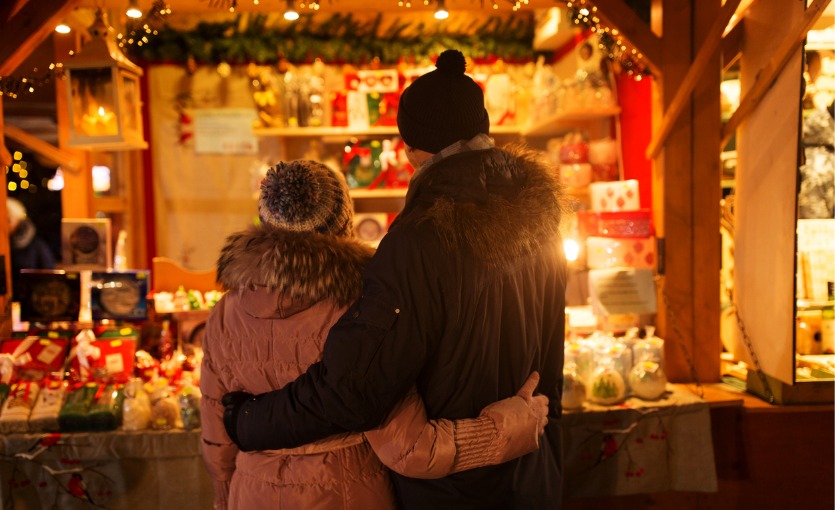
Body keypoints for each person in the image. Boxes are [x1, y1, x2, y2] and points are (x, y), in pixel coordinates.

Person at [222, 49, 568, 509]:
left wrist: (250, 420)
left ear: (411, 149)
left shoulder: (421, 237)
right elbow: (552, 369)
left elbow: (357, 389)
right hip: (531, 479)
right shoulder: (541, 218)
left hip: (450, 493)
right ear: (482, 130)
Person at [200, 160, 550, 510]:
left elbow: (216, 436)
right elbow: (410, 449)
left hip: (250, 494)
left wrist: (224, 494)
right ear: (345, 225)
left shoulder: (224, 313)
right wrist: (506, 430)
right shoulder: (361, 311)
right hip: (346, 493)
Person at [7, 197, 56, 302]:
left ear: (17, 220)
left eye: (8, 219)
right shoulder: (4, 244)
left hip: (32, 302)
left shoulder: (36, 244)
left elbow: (49, 273)